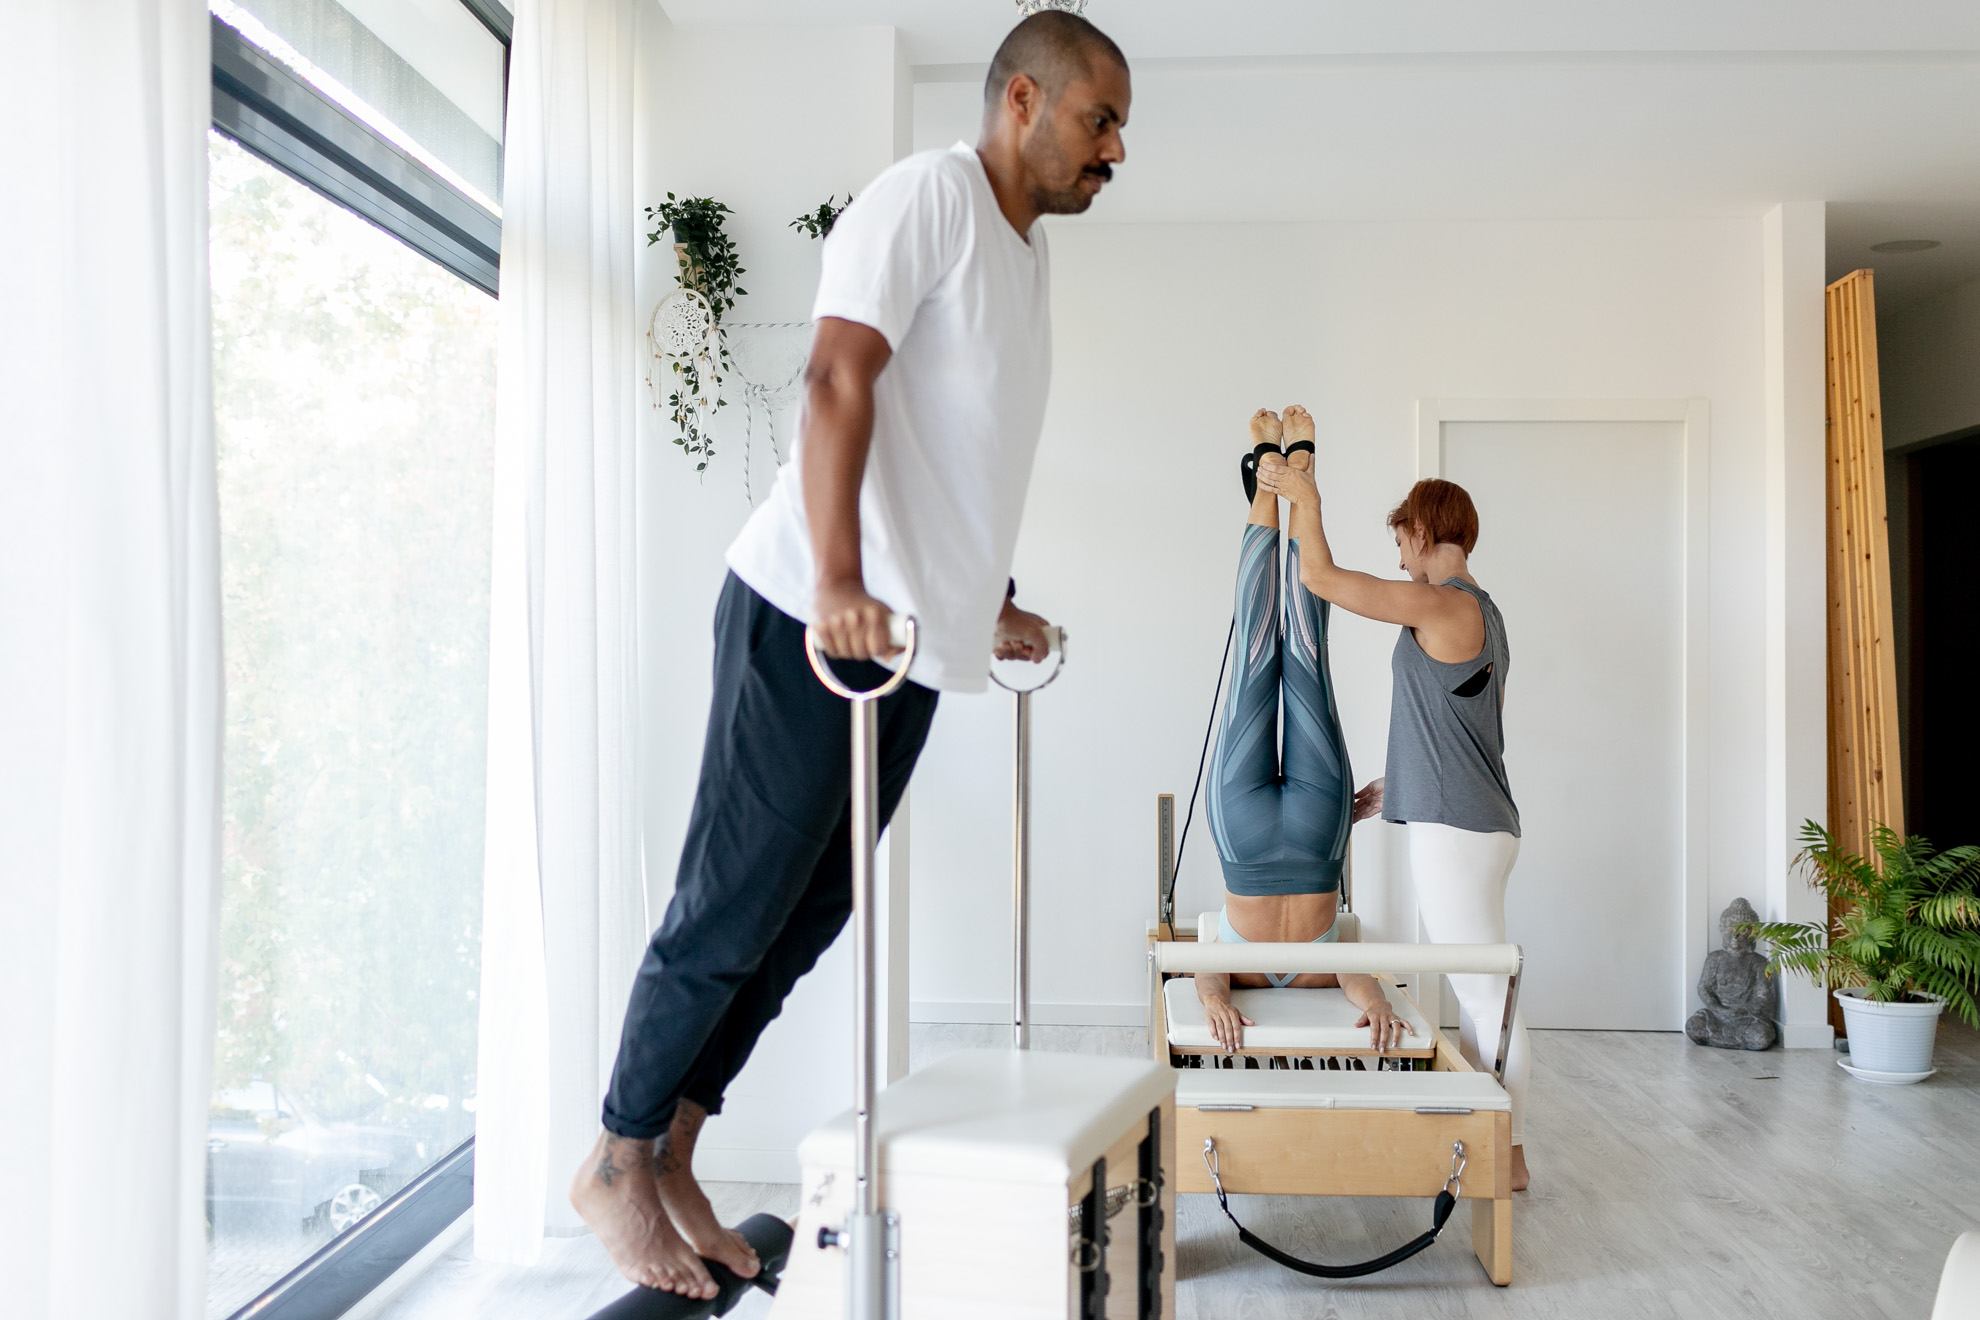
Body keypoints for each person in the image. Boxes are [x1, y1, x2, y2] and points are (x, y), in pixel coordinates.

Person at [569, 12, 1132, 1299]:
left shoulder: (1026, 258)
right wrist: (834, 582)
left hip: (909, 645)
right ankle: (611, 1155)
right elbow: (837, 380)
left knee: (806, 913)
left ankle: (676, 1152)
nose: (1115, 150)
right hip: (809, 621)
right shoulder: (926, 198)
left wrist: (980, 594)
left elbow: (958, 454)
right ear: (1024, 101)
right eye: (1102, 120)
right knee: (730, 903)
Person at [1257, 409, 1531, 1190]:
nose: (1401, 554)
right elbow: (1468, 725)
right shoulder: (1482, 614)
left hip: (1459, 829)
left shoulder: (1445, 601)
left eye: (1402, 538)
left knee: (1487, 995)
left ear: (1423, 528)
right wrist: (1398, 782)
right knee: (1479, 993)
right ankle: (1493, 1147)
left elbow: (1320, 579)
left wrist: (1303, 494)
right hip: (1467, 819)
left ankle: (1507, 1157)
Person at [1194, 409, 1406, 1056]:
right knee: (1266, 659)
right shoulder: (1314, 970)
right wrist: (1373, 1004)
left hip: (1300, 831)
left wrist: (1215, 1002)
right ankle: (1278, 471)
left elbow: (1205, 969)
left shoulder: (1320, 968)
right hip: (1273, 829)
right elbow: (1364, 987)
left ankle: (1291, 470)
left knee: (1300, 656)